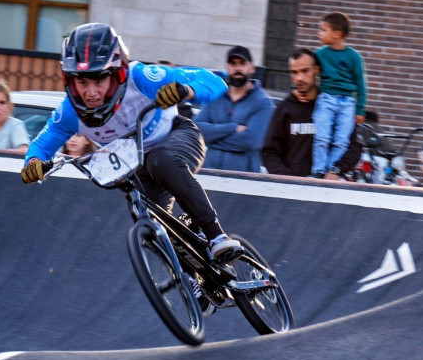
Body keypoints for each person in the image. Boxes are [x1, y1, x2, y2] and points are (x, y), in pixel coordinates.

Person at [20, 22, 243, 264]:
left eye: (98, 80)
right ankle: (196, 281)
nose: (90, 92)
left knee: (161, 160)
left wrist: (185, 90)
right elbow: (41, 146)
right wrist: (33, 163)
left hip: (177, 137)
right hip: (137, 166)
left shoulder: (141, 77)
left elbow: (215, 82)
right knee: (150, 229)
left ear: (117, 74)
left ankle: (216, 235)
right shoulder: (69, 112)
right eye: (81, 82)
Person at [261, 48, 361, 179]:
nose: (299, 78)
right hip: (293, 191)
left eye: (305, 71)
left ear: (316, 69)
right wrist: (289, 180)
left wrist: (336, 171)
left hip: (330, 190)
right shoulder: (285, 108)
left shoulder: (335, 106)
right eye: (294, 72)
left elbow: (354, 147)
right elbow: (269, 152)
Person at [193, 45, 273, 173]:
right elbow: (196, 130)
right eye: (233, 64)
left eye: (242, 63)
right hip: (208, 174)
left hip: (243, 179)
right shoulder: (216, 96)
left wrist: (212, 140)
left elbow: (251, 141)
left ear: (251, 68)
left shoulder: (263, 102)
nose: (237, 68)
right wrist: (232, 128)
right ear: (227, 67)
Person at [311, 12, 368, 178]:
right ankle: (318, 170)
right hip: (326, 99)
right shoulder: (319, 54)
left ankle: (332, 169)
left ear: (337, 34)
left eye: (323, 30)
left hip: (347, 103)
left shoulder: (354, 57)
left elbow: (361, 84)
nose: (319, 33)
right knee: (322, 136)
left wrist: (360, 109)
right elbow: (310, 72)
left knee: (342, 140)